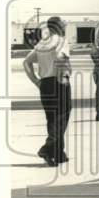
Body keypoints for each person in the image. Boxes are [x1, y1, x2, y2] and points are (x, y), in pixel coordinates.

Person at [23, 16, 73, 166]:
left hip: (45, 84)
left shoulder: (42, 43)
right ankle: (47, 148)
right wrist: (63, 75)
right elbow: (59, 57)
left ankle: (58, 153)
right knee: (63, 116)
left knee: (52, 118)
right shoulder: (61, 41)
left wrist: (36, 80)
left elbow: (26, 62)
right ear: (59, 27)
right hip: (58, 82)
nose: (65, 28)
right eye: (63, 26)